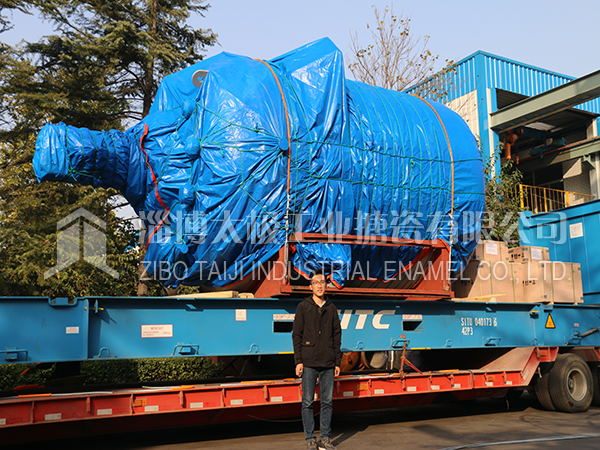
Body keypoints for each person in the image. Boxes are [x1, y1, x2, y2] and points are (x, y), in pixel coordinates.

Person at [293, 269, 342, 450]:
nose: (320, 285)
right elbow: (296, 335)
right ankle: (310, 439)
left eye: (322, 282)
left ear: (326, 285)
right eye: (316, 282)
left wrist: (337, 362)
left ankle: (325, 438)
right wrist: (298, 360)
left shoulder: (331, 308)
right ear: (310, 286)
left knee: (327, 402)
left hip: (328, 362)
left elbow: (337, 336)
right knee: (307, 402)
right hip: (309, 362)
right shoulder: (303, 307)